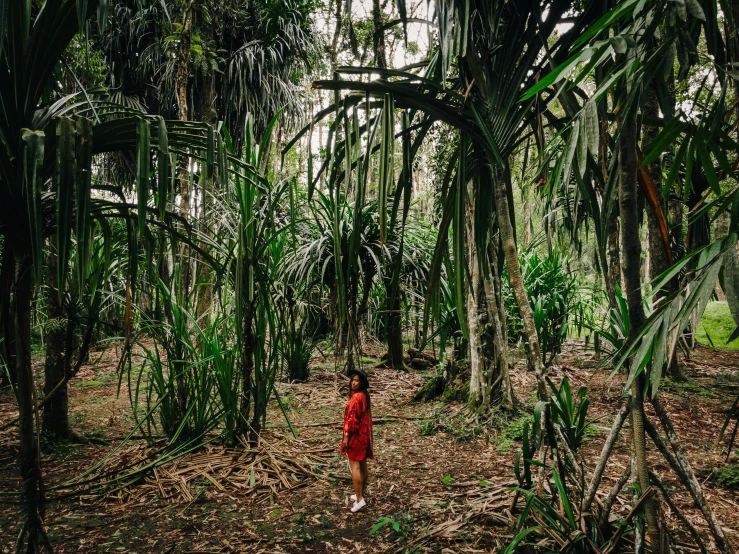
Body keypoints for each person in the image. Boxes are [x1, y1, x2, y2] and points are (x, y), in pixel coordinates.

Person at [340, 368, 374, 513]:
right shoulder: (364, 396)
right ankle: (360, 493)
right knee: (362, 465)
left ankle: (359, 499)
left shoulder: (356, 398)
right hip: (364, 435)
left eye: (357, 381)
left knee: (355, 467)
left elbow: (352, 420)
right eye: (352, 380)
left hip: (355, 436)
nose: (354, 383)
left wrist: (347, 436)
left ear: (362, 383)